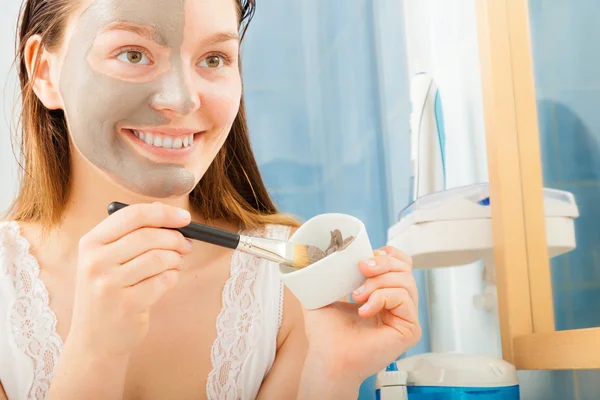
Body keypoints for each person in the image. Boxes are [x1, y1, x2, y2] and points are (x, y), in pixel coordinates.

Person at [0, 0, 421, 398]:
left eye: (214, 59)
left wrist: (332, 375)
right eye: (133, 54)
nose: (183, 99)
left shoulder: (286, 282)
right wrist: (95, 350)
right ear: (44, 72)